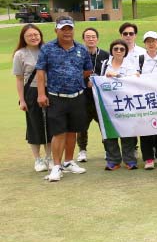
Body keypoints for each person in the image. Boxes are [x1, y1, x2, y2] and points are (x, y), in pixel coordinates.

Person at [36, 17, 92, 182]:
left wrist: (72, 79)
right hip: (56, 97)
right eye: (63, 29)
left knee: (72, 131)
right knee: (59, 132)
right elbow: (40, 72)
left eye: (70, 28)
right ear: (56, 30)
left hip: (77, 97)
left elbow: (87, 71)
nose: (67, 32)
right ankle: (56, 166)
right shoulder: (47, 49)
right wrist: (41, 94)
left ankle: (68, 161)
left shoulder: (81, 49)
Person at [13, 24, 51, 172]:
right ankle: (38, 159)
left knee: (50, 125)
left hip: (50, 90)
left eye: (36, 34)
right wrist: (22, 100)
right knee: (34, 125)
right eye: (30, 35)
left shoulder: (48, 49)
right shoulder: (20, 54)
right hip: (31, 92)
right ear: (24, 38)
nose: (34, 37)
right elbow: (19, 79)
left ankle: (49, 158)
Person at [99, 39, 140, 170]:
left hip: (125, 103)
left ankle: (129, 160)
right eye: (115, 48)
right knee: (110, 133)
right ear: (111, 50)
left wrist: (118, 75)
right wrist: (106, 76)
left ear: (125, 52)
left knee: (127, 132)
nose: (118, 51)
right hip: (108, 103)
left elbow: (135, 79)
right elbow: (98, 81)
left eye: (122, 49)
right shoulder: (105, 64)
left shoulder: (130, 64)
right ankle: (113, 160)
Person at [77, 27, 109, 162]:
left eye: (93, 36)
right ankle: (82, 150)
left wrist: (97, 82)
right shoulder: (78, 54)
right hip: (83, 97)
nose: (91, 39)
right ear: (83, 39)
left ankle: (108, 150)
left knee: (104, 125)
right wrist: (86, 81)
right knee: (81, 126)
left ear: (97, 39)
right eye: (88, 37)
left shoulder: (105, 55)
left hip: (100, 98)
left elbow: (109, 74)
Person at [138, 31, 157, 169]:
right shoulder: (139, 59)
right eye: (148, 41)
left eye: (153, 41)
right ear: (145, 43)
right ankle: (148, 159)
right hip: (144, 100)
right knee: (146, 129)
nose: (151, 44)